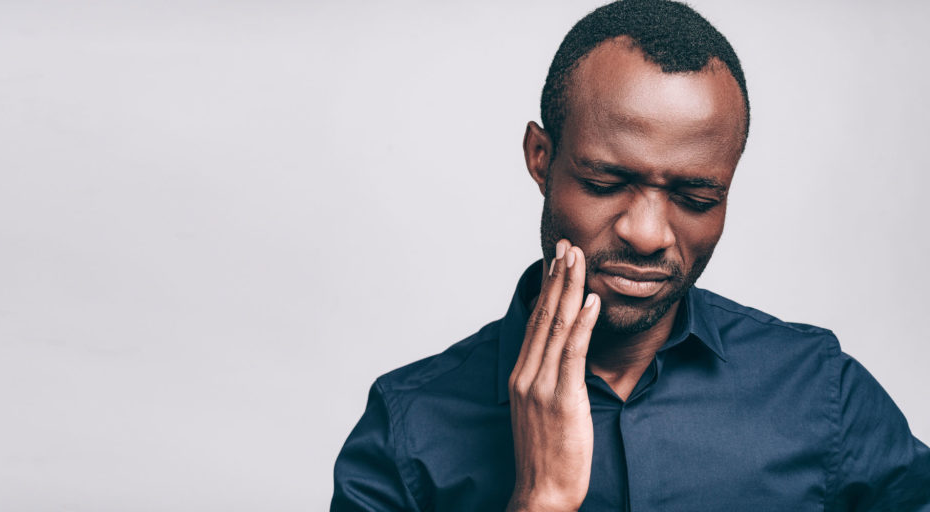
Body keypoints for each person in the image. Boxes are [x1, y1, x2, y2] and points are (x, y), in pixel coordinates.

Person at [330, 0, 930, 510]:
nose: (646, 234)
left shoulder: (819, 391)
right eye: (604, 183)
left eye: (695, 196)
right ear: (541, 158)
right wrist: (540, 499)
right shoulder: (407, 431)